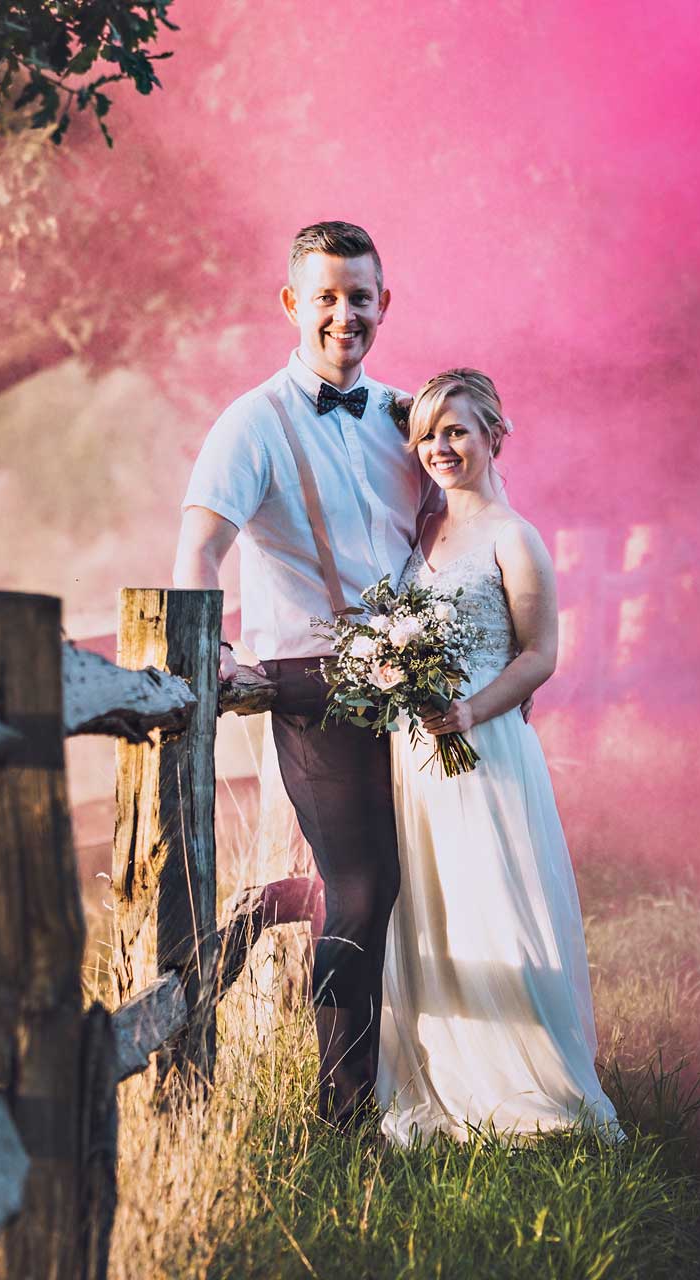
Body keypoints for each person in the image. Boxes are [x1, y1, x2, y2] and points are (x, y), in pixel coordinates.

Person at [173, 220, 426, 1126]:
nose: (343, 315)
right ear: (291, 304)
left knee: (402, 875)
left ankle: (263, 913)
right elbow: (198, 549)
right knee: (364, 885)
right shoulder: (253, 422)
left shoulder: (407, 415)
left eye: (359, 297)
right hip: (312, 681)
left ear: (383, 304)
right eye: (324, 297)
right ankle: (343, 1108)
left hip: (417, 680)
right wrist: (217, 655)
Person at [375, 368, 622, 1144]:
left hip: (483, 752)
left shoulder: (515, 538)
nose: (440, 447)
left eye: (456, 431)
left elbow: (540, 654)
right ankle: (441, 1079)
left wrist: (469, 711)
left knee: (492, 907)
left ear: (492, 437)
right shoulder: (421, 532)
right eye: (427, 434)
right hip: (416, 760)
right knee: (431, 910)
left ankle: (526, 1088)